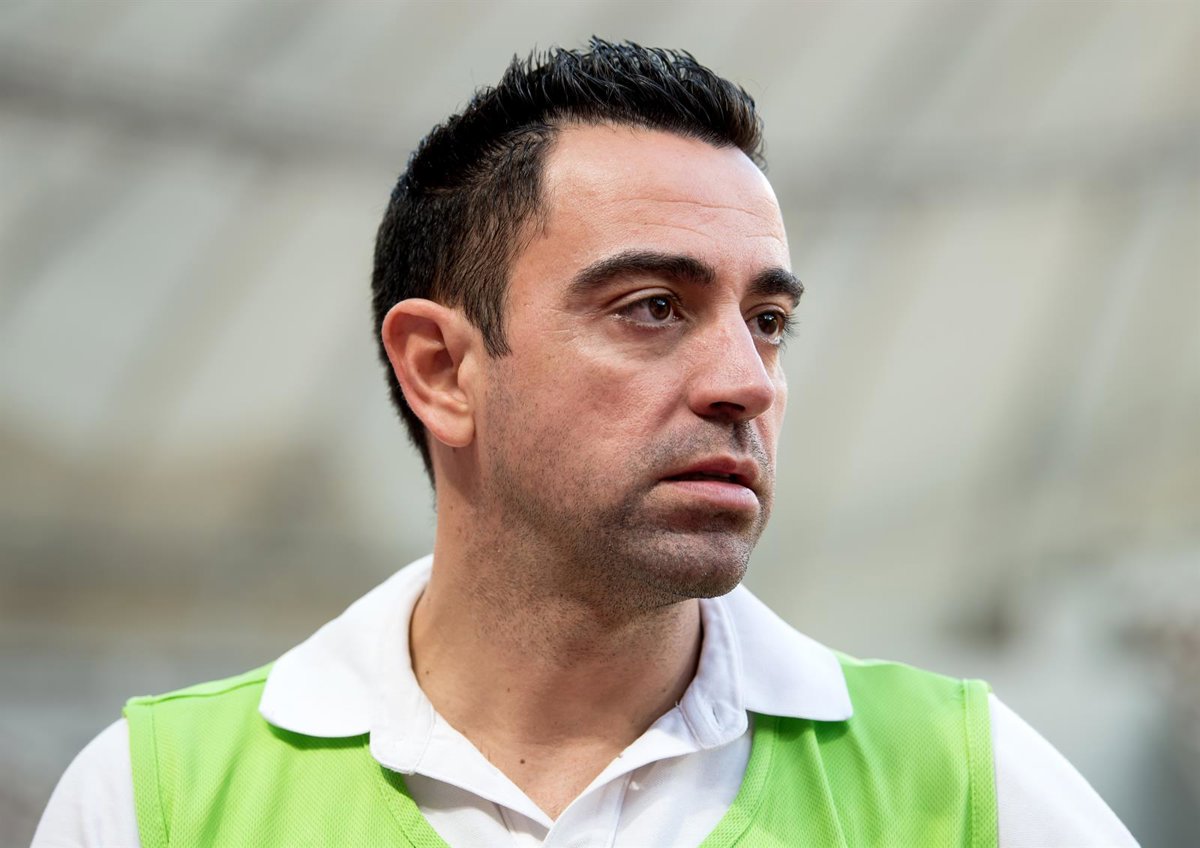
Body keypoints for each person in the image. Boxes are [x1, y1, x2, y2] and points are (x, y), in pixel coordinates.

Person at [35, 39, 1136, 847]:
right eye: (653, 307)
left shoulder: (963, 783)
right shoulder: (153, 800)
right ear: (442, 369)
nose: (747, 382)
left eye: (768, 320)